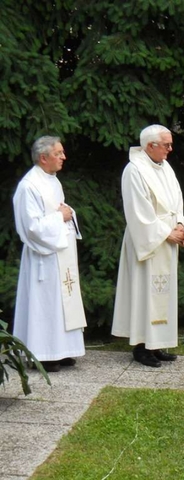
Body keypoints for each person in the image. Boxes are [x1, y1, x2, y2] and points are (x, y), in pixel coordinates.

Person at [112, 125, 184, 368]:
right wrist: (166, 232)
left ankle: (156, 344)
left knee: (162, 293)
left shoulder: (164, 166)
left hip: (168, 239)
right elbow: (138, 212)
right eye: (166, 145)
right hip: (147, 240)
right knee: (144, 292)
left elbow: (176, 200)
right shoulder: (134, 170)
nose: (171, 149)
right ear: (150, 146)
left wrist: (180, 225)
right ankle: (141, 347)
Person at [12, 136, 86, 372]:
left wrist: (66, 214)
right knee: (45, 304)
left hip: (60, 254)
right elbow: (31, 227)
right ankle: (43, 354)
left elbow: (62, 210)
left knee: (63, 302)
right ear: (44, 158)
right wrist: (60, 217)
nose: (63, 157)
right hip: (42, 257)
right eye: (59, 153)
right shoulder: (29, 186)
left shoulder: (52, 181)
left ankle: (63, 350)